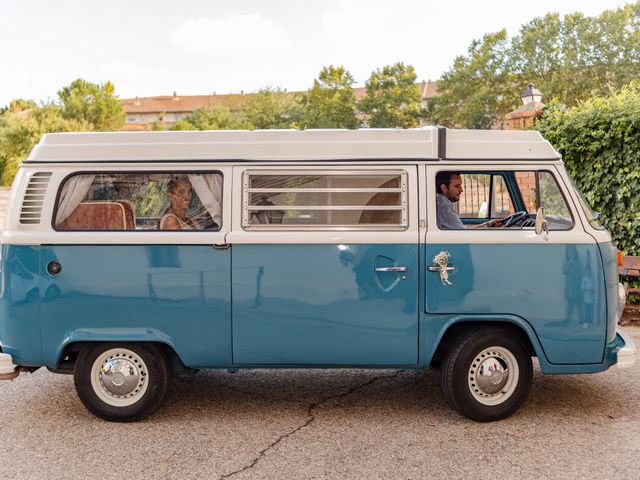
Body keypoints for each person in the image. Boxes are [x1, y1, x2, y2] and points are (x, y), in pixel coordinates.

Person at [435, 171, 503, 230]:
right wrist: (487, 225)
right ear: (444, 188)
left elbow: (461, 229)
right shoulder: (444, 208)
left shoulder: (442, 203)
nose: (461, 190)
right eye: (457, 186)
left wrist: (488, 224)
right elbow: (462, 232)